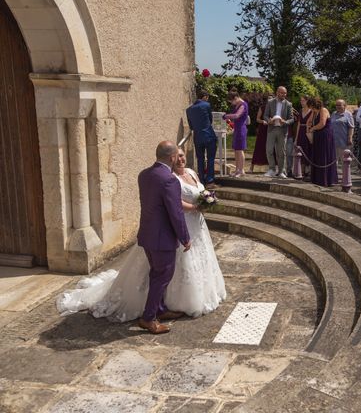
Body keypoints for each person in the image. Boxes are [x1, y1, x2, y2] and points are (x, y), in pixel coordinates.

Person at [56, 144, 226, 334]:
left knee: (156, 273)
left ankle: (160, 309)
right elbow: (175, 213)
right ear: (171, 158)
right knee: (162, 276)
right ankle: (149, 318)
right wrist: (185, 238)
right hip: (162, 237)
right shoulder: (170, 180)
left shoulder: (144, 175)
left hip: (147, 234)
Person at [186, 88, 217, 186]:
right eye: (207, 97)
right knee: (211, 158)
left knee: (200, 159)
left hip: (197, 137)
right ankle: (210, 180)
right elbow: (210, 119)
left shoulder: (189, 109)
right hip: (208, 135)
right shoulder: (206, 105)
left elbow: (191, 126)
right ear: (205, 97)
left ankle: (201, 181)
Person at [263, 86, 294, 178]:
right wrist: (269, 120)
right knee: (269, 150)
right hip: (271, 129)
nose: (283, 95)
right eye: (281, 93)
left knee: (281, 152)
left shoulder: (288, 104)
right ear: (277, 92)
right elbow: (265, 115)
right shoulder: (270, 102)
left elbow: (292, 119)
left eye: (285, 93)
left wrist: (285, 122)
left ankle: (281, 171)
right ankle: (272, 169)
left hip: (282, 130)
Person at [307, 98, 338, 186]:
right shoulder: (315, 112)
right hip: (318, 136)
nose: (311, 109)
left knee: (324, 156)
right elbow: (309, 121)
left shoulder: (323, 110)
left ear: (314, 105)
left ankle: (325, 179)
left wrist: (312, 128)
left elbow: (322, 124)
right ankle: (317, 178)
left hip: (325, 136)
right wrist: (309, 124)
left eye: (311, 107)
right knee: (318, 156)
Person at [223, 88, 249, 177]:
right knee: (236, 150)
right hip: (237, 129)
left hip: (241, 129)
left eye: (232, 101)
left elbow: (237, 115)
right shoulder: (238, 105)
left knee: (240, 149)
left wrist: (225, 116)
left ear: (236, 97)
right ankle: (237, 169)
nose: (232, 103)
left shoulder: (243, 105)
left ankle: (241, 170)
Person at [250, 95, 272, 173]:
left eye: (272, 99)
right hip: (263, 130)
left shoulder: (274, 108)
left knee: (270, 149)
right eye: (269, 99)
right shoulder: (262, 107)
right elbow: (257, 119)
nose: (270, 100)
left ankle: (271, 168)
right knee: (259, 147)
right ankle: (251, 168)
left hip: (271, 130)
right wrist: (263, 121)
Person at [331, 99, 355, 166]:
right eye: (336, 105)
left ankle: (346, 176)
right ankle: (334, 175)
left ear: (344, 106)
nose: (338, 106)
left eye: (339, 105)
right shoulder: (333, 113)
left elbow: (351, 127)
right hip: (334, 141)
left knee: (345, 160)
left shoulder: (348, 114)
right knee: (333, 160)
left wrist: (350, 138)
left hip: (344, 141)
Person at [295, 95, 313, 177]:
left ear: (307, 101)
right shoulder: (300, 110)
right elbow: (298, 124)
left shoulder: (312, 111)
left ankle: (308, 171)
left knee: (308, 150)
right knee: (300, 151)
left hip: (308, 132)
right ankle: (301, 171)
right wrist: (296, 137)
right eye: (301, 101)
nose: (301, 102)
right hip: (301, 133)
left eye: (303, 101)